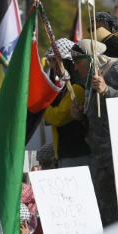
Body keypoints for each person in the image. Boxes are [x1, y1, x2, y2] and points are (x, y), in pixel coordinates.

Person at [71, 39, 118, 225]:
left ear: (90, 59)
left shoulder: (116, 69)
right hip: (101, 155)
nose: (76, 68)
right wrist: (81, 116)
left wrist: (106, 90)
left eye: (78, 62)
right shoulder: (89, 78)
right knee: (107, 214)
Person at [42, 39, 93, 170]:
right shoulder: (67, 86)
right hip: (68, 154)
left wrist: (39, 104)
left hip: (76, 155)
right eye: (50, 61)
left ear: (66, 61)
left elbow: (57, 117)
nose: (52, 65)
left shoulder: (77, 88)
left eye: (54, 60)